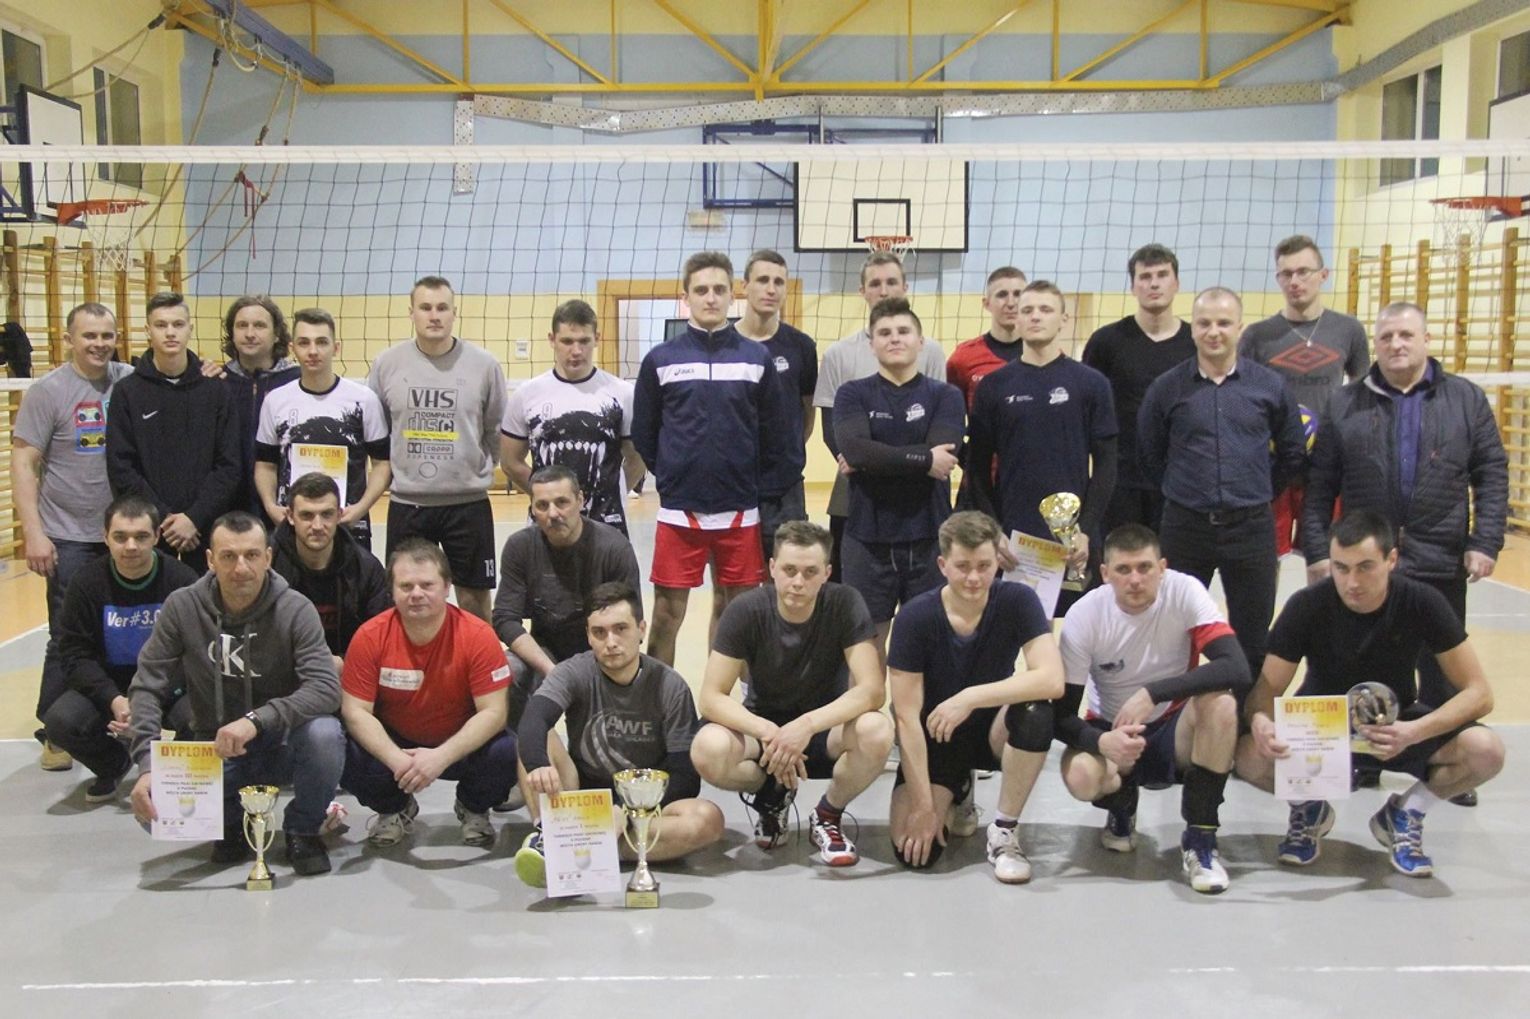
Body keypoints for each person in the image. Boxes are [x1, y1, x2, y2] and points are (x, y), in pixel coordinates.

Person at [1301, 301, 1508, 806]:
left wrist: (1484, 542)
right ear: (1375, 344)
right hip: (1368, 563)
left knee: (1443, 673)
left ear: (1427, 339)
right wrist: (1318, 551)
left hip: (1439, 555)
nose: (1396, 344)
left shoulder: (1465, 398)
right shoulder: (1345, 402)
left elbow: (1491, 473)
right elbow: (1320, 484)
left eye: (1406, 335)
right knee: (1359, 664)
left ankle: (1445, 762)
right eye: (1387, 336)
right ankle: (1363, 758)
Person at [1237, 510, 1504, 877]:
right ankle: (1308, 806)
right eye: (1341, 568)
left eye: (1365, 567)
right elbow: (1265, 692)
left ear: (1391, 559)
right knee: (1247, 754)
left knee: (1487, 752)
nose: (1352, 582)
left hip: (1395, 727)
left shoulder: (1421, 601)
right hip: (1321, 732)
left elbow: (1480, 694)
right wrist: (1261, 721)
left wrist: (1414, 731)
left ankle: (1406, 813)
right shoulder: (1306, 605)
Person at [127, 512, 343, 877]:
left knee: (324, 735)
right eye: (228, 556)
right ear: (210, 560)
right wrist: (148, 765)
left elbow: (325, 688)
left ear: (268, 558)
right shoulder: (182, 606)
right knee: (153, 815)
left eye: (251, 555)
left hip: (282, 744)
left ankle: (303, 830)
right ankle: (230, 823)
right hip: (214, 748)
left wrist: (255, 721)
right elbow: (147, 685)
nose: (241, 568)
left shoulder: (295, 608)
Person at [1053, 524, 1250, 894]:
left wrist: (1153, 693)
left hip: (1174, 726)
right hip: (1112, 727)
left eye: (1144, 568)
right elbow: (1060, 716)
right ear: (1105, 573)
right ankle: (1121, 805)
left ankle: (1201, 839)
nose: (1135, 580)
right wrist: (1101, 742)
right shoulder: (1085, 615)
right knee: (1080, 776)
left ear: (1162, 568)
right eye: (1123, 570)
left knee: (1222, 704)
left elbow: (1236, 668)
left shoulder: (1185, 590)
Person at [691, 521, 891, 867]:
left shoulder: (845, 603)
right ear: (772, 568)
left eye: (810, 572)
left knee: (877, 731)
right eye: (789, 570)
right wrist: (769, 732)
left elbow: (872, 690)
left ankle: (827, 814)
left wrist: (806, 726)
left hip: (823, 730)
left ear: (827, 573)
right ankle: (771, 795)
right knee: (707, 748)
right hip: (763, 733)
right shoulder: (746, 610)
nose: (798, 582)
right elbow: (711, 697)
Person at [630, 251, 793, 665]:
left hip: (740, 512)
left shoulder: (755, 359)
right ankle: (661, 699)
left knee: (738, 615)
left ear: (732, 295)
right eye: (701, 290)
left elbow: (776, 433)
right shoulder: (661, 360)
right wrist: (671, 475)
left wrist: (753, 485)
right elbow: (645, 432)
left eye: (719, 289)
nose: (711, 297)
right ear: (686, 298)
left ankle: (728, 700)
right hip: (679, 513)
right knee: (666, 614)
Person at [1138, 286, 1306, 680]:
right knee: (1173, 633)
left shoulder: (1269, 386)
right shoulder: (1167, 387)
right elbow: (1149, 454)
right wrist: (1186, 490)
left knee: (1252, 636)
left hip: (1251, 528)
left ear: (1240, 328)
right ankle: (1174, 713)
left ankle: (1244, 714)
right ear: (1193, 329)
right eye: (1204, 323)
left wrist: (1256, 490)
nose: (1214, 332)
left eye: (1224, 323)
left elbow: (1292, 452)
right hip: (1185, 527)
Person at [512, 582, 725, 887]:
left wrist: (627, 812)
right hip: (583, 797)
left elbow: (686, 778)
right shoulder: (574, 672)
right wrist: (537, 765)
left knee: (707, 819)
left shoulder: (670, 686)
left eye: (620, 629)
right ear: (588, 636)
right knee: (537, 739)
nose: (610, 642)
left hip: (646, 805)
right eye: (599, 632)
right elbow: (534, 719)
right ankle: (549, 833)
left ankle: (578, 848)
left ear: (641, 630)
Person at [887, 511, 1061, 884]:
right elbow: (905, 718)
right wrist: (923, 807)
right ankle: (957, 790)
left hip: (991, 728)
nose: (973, 578)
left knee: (1036, 712)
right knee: (915, 852)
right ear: (942, 565)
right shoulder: (915, 617)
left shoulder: (1018, 599)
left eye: (984, 566)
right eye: (962, 567)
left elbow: (1052, 678)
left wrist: (969, 697)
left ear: (998, 561)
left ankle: (1004, 831)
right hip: (937, 736)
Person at [13, 302, 133, 771]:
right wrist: (34, 533)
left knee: (130, 631)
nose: (99, 344)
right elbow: (24, 462)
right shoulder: (48, 392)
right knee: (67, 633)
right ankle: (55, 730)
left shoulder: (128, 380)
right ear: (68, 339)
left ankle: (121, 717)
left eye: (107, 335)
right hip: (70, 535)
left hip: (127, 535)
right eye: (89, 336)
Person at [340, 539, 515, 850]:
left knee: (507, 751)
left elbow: (494, 712)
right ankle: (395, 808)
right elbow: (355, 712)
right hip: (397, 748)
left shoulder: (478, 635)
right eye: (406, 586)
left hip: (460, 745)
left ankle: (473, 806)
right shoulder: (369, 637)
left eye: (427, 585)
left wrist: (439, 758)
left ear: (447, 587)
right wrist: (396, 760)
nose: (416, 594)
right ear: (392, 590)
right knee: (342, 748)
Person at [967, 280, 1117, 611]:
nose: (1035, 316)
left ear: (1063, 319)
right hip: (1015, 538)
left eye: (1045, 309)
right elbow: (976, 469)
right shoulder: (994, 387)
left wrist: (1086, 529)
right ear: (1017, 319)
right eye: (1028, 310)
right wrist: (994, 530)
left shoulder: (1091, 384)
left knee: (1079, 625)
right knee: (1020, 623)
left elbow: (1107, 464)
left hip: (1073, 538)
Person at [368, 275, 507, 622]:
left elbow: (495, 429)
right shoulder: (387, 364)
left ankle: (476, 657)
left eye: (442, 308)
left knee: (474, 599)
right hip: (409, 502)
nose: (434, 316)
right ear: (411, 313)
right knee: (407, 597)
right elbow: (377, 430)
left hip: (467, 503)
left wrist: (474, 468)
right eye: (426, 308)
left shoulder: (484, 365)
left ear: (454, 313)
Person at [43, 496, 198, 802]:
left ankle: (171, 778)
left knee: (203, 717)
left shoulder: (183, 581)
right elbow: (74, 654)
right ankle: (114, 763)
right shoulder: (85, 583)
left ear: (156, 537)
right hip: (110, 688)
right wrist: (113, 699)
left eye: (141, 537)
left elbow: (197, 651)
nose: (131, 546)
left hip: (167, 686)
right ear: (105, 537)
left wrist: (149, 699)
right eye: (120, 537)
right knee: (60, 722)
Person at [832, 296, 964, 655]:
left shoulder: (946, 395)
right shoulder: (852, 393)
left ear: (920, 342)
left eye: (904, 331)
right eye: (885, 332)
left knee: (927, 644)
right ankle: (868, 698)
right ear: (871, 343)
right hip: (867, 539)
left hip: (929, 539)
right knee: (865, 645)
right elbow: (856, 450)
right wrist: (924, 459)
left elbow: (945, 456)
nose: (894, 338)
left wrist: (875, 457)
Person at [814, 252, 947, 577]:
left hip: (920, 496)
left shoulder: (931, 351)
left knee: (924, 594)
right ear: (862, 291)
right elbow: (831, 431)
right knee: (854, 594)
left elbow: (936, 427)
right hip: (855, 490)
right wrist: (855, 459)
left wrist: (887, 461)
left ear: (905, 287)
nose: (884, 291)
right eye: (875, 284)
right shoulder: (838, 354)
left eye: (891, 282)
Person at [1238, 235, 1369, 556]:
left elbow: (1363, 396)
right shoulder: (1256, 335)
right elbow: (1241, 400)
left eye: (1303, 272)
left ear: (1323, 275)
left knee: (1325, 558)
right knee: (1265, 559)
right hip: (1273, 468)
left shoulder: (1349, 330)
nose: (1294, 281)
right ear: (1277, 278)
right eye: (1286, 274)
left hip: (1326, 467)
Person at [491, 465, 642, 727]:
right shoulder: (520, 546)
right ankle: (521, 746)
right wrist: (553, 671)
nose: (553, 514)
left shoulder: (613, 547)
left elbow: (629, 621)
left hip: (601, 649)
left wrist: (591, 666)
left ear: (580, 500)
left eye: (562, 502)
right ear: (532, 508)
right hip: (545, 651)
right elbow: (505, 619)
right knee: (508, 672)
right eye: (542, 505)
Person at [106, 291, 242, 574]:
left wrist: (193, 518)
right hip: (151, 530)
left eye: (178, 324)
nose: (170, 332)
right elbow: (121, 467)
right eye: (161, 325)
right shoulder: (127, 392)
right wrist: (165, 519)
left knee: (209, 601)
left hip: (205, 528)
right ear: (148, 330)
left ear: (190, 328)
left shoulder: (216, 390)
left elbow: (229, 465)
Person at [499, 299, 644, 536]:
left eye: (584, 341)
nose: (576, 351)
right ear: (552, 340)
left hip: (607, 526)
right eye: (567, 341)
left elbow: (637, 459)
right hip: (547, 526)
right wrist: (547, 496)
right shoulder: (527, 394)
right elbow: (510, 462)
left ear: (597, 339)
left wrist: (612, 492)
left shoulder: (624, 394)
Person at [1081, 244, 1195, 535]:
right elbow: (1087, 412)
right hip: (1121, 482)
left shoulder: (1195, 342)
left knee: (1175, 562)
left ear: (1177, 283)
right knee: (1121, 560)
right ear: (1133, 287)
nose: (1154, 283)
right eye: (1145, 277)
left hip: (1182, 481)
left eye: (1162, 275)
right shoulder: (1106, 342)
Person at [254, 307, 391, 548]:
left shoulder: (364, 400)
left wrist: (361, 508)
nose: (313, 351)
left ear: (336, 348)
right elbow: (265, 465)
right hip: (294, 526)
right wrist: (270, 506)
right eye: (304, 343)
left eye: (321, 342)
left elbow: (382, 464)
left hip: (349, 525)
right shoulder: (275, 400)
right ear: (292, 348)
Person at [735, 250, 817, 559]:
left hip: (786, 488)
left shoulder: (801, 346)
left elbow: (806, 414)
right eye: (763, 280)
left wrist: (786, 451)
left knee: (788, 573)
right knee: (733, 583)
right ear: (745, 286)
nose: (771, 289)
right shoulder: (723, 345)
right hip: (734, 484)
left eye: (779, 282)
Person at [268, 472, 391, 670]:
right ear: (290, 516)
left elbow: (382, 637)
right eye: (307, 515)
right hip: (282, 671)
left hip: (347, 672)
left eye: (326, 514)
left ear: (339, 515)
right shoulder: (267, 564)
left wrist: (347, 662)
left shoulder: (366, 568)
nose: (317, 526)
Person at [220, 296, 300, 516]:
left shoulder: (297, 381)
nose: (249, 333)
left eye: (259, 325)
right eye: (241, 325)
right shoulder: (217, 382)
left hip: (284, 504)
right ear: (232, 333)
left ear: (277, 334)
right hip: (229, 505)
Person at [945, 266, 1029, 407]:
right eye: (1002, 295)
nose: (1011, 303)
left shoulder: (1043, 352)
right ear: (986, 303)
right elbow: (953, 411)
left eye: (1017, 294)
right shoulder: (963, 358)